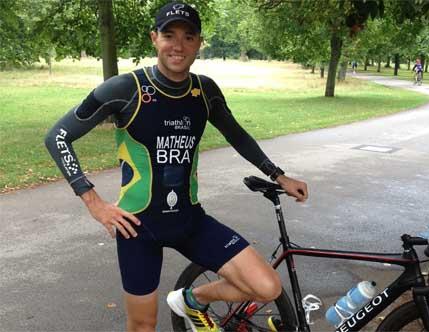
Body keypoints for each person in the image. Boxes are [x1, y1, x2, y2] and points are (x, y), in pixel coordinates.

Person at [44, 2, 308, 331]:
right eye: (169, 35)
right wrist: (94, 202)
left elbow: (236, 134)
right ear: (154, 38)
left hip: (190, 220)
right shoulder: (125, 89)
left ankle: (191, 299)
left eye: (188, 36)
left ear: (199, 42)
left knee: (267, 286)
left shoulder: (205, 91)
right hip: (137, 227)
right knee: (142, 325)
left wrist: (278, 175)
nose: (178, 45)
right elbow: (58, 137)